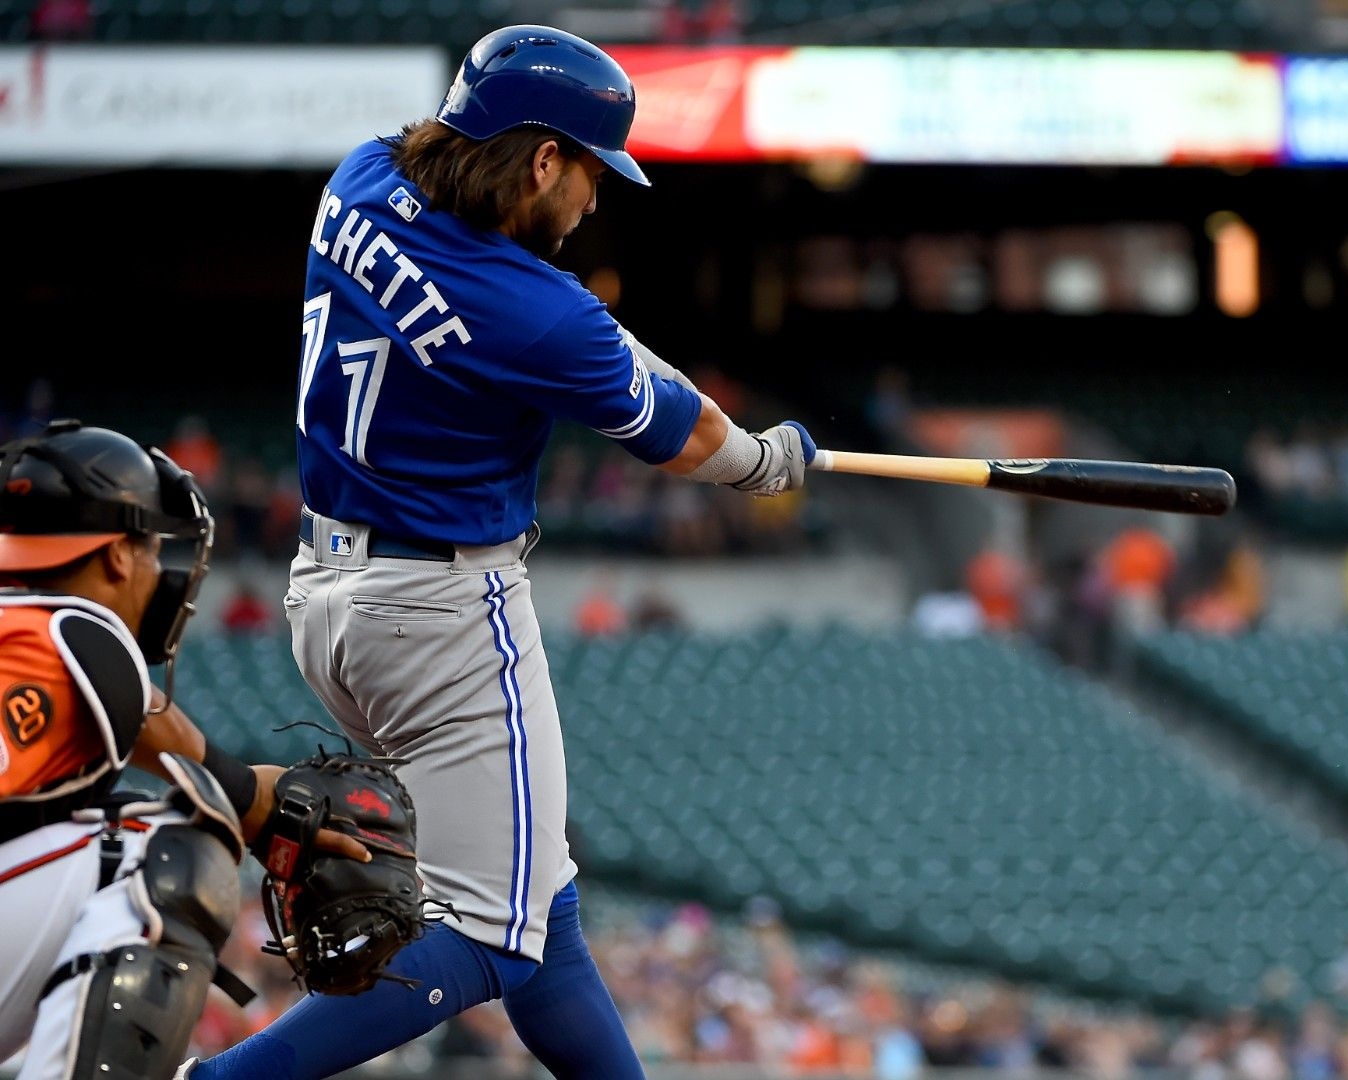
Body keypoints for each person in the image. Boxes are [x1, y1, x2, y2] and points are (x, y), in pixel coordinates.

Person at [188, 24, 815, 1079]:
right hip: (440, 613)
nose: (595, 198)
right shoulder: (538, 314)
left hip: (331, 597)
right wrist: (766, 461)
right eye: (589, 170)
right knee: (492, 933)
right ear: (539, 158)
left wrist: (678, 394)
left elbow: (590, 343)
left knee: (541, 913)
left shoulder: (361, 177)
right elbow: (689, 439)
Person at [0, 421, 368, 1078]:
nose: (156, 569)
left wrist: (256, 802)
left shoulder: (34, 635)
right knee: (159, 850)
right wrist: (254, 807)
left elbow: (168, 739)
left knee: (112, 823)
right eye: (151, 548)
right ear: (118, 555)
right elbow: (163, 734)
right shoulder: (66, 632)